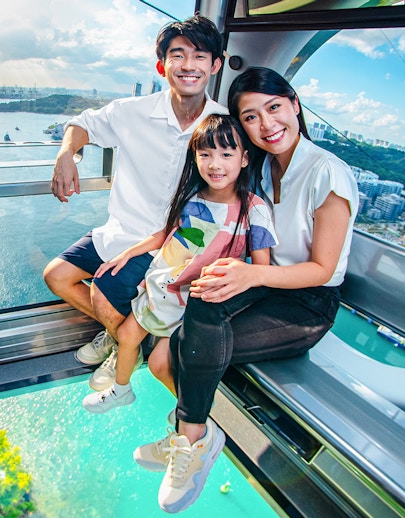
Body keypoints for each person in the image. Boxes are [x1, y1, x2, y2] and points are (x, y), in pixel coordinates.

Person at [135, 66, 360, 514]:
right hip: (267, 284)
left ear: (295, 105)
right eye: (251, 117)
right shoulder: (263, 169)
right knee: (204, 294)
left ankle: (192, 437)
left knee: (183, 344)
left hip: (306, 303)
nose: (267, 125)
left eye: (274, 108)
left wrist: (251, 275)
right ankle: (195, 433)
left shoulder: (327, 173)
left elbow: (322, 270)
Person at [43, 15, 228, 390]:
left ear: (215, 65)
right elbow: (82, 124)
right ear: (163, 66)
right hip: (120, 229)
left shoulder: (222, 125)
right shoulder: (132, 112)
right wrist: (66, 154)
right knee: (56, 277)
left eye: (199, 56)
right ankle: (122, 337)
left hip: (173, 243)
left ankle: (123, 343)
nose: (188, 66)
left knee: (102, 294)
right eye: (178, 56)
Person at [82, 114, 277, 414]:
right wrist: (126, 254)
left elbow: (259, 271)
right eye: (205, 154)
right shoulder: (193, 198)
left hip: (194, 301)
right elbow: (169, 236)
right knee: (139, 347)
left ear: (244, 158)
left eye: (226, 154)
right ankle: (133, 395)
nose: (215, 164)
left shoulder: (253, 210)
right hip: (164, 288)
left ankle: (189, 416)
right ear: (195, 157)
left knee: (150, 356)